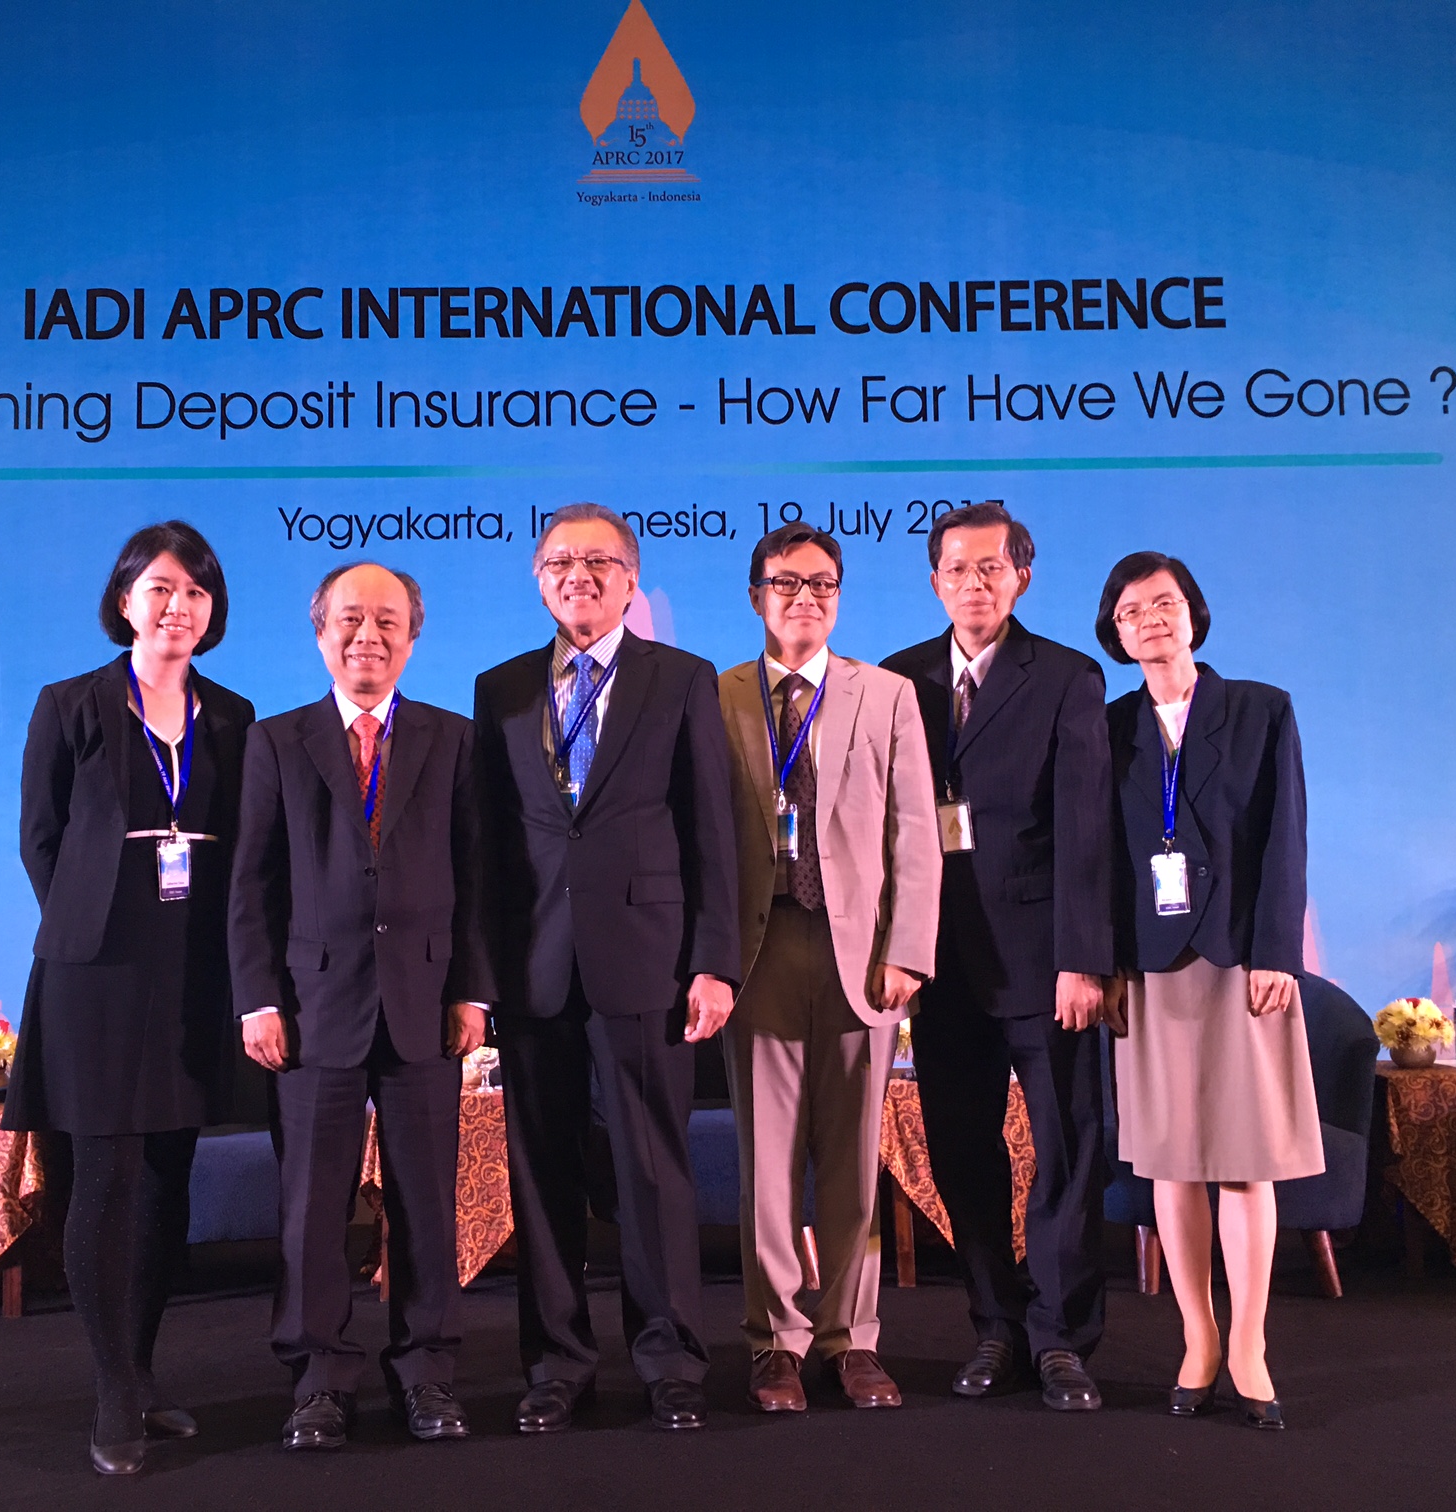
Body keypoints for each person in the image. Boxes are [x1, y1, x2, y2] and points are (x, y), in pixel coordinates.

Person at [472, 502, 741, 1434]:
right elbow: (488, 849)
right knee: (540, 1172)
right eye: (559, 562)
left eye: (599, 561)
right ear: (538, 579)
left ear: (631, 578)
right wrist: (481, 974)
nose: (578, 575)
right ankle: (556, 1362)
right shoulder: (499, 688)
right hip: (535, 967)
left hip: (651, 965)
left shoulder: (682, 679)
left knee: (653, 1170)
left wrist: (715, 963)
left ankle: (670, 1360)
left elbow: (714, 828)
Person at [3, 521, 254, 1475]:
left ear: (212, 610)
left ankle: (145, 1374)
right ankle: (111, 1390)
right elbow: (40, 838)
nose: (177, 607)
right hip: (97, 972)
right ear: (123, 602)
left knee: (166, 1180)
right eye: (159, 589)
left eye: (195, 592)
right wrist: (89, 923)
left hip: (192, 968)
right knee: (103, 1178)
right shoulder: (69, 704)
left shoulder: (231, 716)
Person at [228, 561, 492, 1452]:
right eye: (349, 620)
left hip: (426, 1007)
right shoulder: (277, 742)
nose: (366, 636)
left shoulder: (453, 741)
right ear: (319, 633)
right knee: (312, 1207)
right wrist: (257, 998)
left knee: (428, 1202)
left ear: (414, 638)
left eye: (386, 621)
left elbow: (479, 880)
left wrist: (473, 990)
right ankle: (318, 1380)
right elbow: (251, 887)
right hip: (308, 1011)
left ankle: (427, 1372)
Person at [879, 501, 1114, 1412]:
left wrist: (1084, 960)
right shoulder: (897, 680)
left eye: (990, 568)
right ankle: (995, 1325)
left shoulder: (1065, 677)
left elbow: (1087, 830)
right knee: (959, 1154)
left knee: (1065, 1149)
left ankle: (1062, 1336)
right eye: (955, 569)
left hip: (1045, 962)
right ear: (934, 580)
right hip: (940, 963)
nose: (972, 583)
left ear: (1022, 576)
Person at [717, 523, 942, 1415]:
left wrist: (907, 953)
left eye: (821, 584)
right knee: (765, 1164)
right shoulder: (719, 695)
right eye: (785, 583)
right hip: (756, 951)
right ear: (755, 596)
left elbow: (915, 834)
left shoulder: (884, 694)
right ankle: (775, 1340)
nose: (803, 597)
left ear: (839, 596)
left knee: (852, 1159)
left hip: (861, 958)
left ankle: (852, 1339)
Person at [1094, 551, 1321, 1431]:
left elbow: (1284, 838)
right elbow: (1103, 859)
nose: (1150, 620)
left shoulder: (1261, 710)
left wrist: (1277, 953)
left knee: (1243, 1157)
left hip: (1240, 961)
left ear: (1194, 612)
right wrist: (1107, 961)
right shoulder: (1110, 727)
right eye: (1131, 611)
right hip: (1150, 968)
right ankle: (1199, 1337)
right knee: (1171, 1161)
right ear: (1114, 633)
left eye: (1165, 603)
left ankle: (1253, 1342)